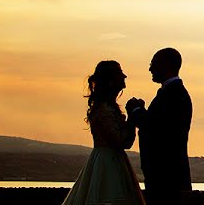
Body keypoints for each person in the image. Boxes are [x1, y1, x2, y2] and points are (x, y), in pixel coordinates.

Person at [62, 60, 145, 205]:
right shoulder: (103, 110)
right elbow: (121, 140)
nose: (124, 77)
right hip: (107, 165)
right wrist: (132, 117)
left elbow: (126, 141)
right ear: (110, 81)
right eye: (120, 74)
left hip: (114, 161)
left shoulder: (107, 107)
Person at [127, 47, 192, 205]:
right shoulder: (171, 93)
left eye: (153, 64)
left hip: (167, 176)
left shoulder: (175, 94)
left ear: (166, 65)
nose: (150, 68)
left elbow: (155, 127)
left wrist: (135, 111)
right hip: (164, 175)